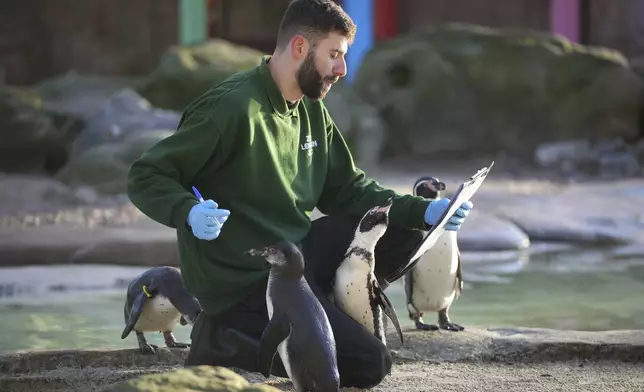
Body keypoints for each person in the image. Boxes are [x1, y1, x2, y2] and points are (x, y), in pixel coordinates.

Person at [126, 0, 473, 388]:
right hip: (246, 283)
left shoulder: (310, 109)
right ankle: (222, 337)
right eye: (334, 55)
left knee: (405, 230)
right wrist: (187, 212)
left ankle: (322, 310)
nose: (341, 69)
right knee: (370, 365)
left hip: (293, 258)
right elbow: (146, 174)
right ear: (299, 48)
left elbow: (347, 189)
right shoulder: (230, 107)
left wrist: (425, 212)